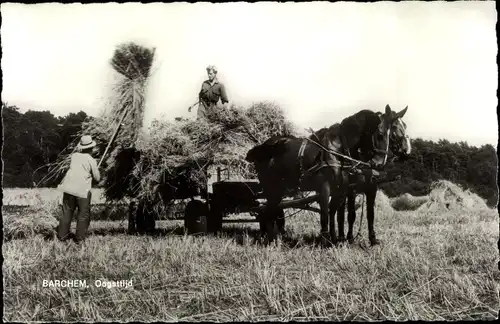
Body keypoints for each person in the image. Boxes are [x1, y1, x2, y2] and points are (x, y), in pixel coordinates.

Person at [57, 135, 101, 243]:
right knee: (83, 214)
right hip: (82, 190)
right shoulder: (91, 160)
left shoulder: (74, 156)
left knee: (66, 212)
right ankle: (79, 239)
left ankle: (62, 237)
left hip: (68, 188)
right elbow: (97, 178)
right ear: (91, 148)